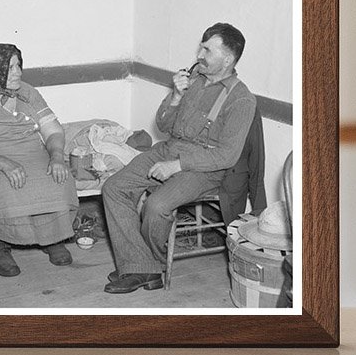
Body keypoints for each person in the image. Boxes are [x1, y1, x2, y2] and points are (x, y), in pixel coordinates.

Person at [100, 23, 257, 294]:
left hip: (205, 167)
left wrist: (178, 166)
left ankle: (147, 267)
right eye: (201, 47)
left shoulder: (241, 100)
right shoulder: (194, 81)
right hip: (169, 149)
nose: (200, 54)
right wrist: (175, 96)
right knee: (113, 188)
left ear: (228, 59)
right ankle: (142, 265)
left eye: (208, 50)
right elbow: (163, 126)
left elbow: (227, 155)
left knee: (158, 205)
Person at [0, 43, 77, 277]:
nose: (18, 72)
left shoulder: (27, 92)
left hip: (30, 151)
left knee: (59, 178)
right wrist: (4, 163)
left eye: (19, 65)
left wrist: (57, 156)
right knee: (7, 186)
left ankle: (52, 237)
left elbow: (52, 130)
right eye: (10, 68)